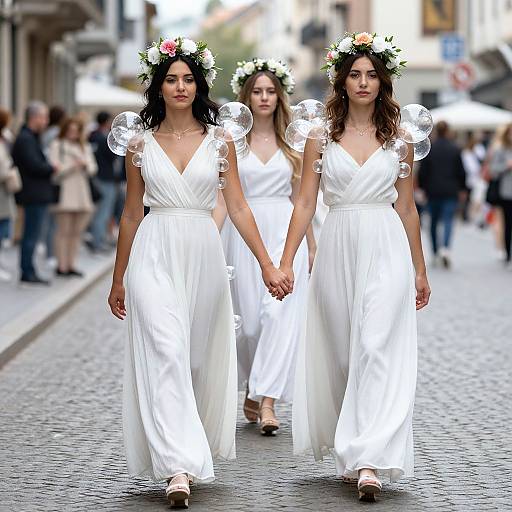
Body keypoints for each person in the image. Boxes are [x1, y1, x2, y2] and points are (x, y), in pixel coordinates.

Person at [106, 36, 291, 507]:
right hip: (153, 250)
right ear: (158, 87)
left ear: (199, 84)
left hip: (204, 252)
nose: (181, 87)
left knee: (191, 359)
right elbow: (131, 213)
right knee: (165, 351)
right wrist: (118, 276)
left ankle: (186, 448)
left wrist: (268, 263)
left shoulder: (221, 140)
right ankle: (178, 468)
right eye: (171, 79)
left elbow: (239, 208)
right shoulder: (139, 144)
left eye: (188, 79)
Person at [278, 32, 431, 502]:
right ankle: (353, 446)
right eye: (354, 75)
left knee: (376, 345)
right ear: (341, 82)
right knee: (346, 352)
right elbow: (304, 204)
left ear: (383, 83)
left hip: (386, 245)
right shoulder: (319, 138)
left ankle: (370, 459)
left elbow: (407, 209)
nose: (363, 83)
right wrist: (284, 262)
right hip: (338, 245)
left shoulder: (401, 140)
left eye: (371, 75)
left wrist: (420, 270)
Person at [213, 58, 311, 434]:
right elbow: (224, 200)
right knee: (250, 323)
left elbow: (303, 198)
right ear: (246, 96)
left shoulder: (294, 143)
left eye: (271, 91)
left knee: (280, 316)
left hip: (287, 233)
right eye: (257, 91)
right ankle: (253, 386)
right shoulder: (232, 142)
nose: (265, 97)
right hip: (243, 235)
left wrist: (311, 245)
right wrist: (210, 238)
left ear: (280, 95)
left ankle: (268, 401)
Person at [12, 101, 56, 285]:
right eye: (44, 117)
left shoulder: (30, 137)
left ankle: (29, 269)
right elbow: (34, 165)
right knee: (31, 234)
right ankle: (27, 271)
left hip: (36, 193)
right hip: (33, 193)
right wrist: (51, 167)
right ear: (35, 117)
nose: (46, 121)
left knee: (33, 234)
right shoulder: (25, 138)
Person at [49, 117, 97, 276]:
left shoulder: (85, 147)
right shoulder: (57, 145)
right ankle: (61, 266)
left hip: (82, 194)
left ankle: (71, 264)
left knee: (77, 232)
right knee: (64, 231)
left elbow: (92, 169)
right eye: (70, 130)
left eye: (76, 131)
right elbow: (54, 171)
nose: (73, 134)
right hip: (65, 193)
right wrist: (72, 166)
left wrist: (84, 164)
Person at [418, 121, 466, 268]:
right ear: (448, 131)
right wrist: (463, 188)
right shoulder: (455, 148)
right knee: (448, 220)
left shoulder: (430, 149)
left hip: (433, 191)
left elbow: (423, 171)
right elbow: (461, 171)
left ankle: (435, 251)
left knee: (432, 222)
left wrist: (422, 187)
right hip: (451, 190)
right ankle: (445, 248)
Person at [88, 111, 119, 252]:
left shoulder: (92, 136)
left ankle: (98, 240)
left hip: (97, 177)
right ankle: (98, 242)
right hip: (105, 178)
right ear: (106, 122)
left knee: (100, 211)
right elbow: (113, 157)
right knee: (103, 212)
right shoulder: (105, 138)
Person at [489, 123, 512, 267]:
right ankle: (508, 254)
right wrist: (506, 166)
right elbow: (493, 170)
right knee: (508, 224)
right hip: (507, 192)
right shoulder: (500, 150)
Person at [0, 108, 18, 281]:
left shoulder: (5, 139)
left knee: (5, 225)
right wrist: (10, 172)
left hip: (4, 193)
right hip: (2, 189)